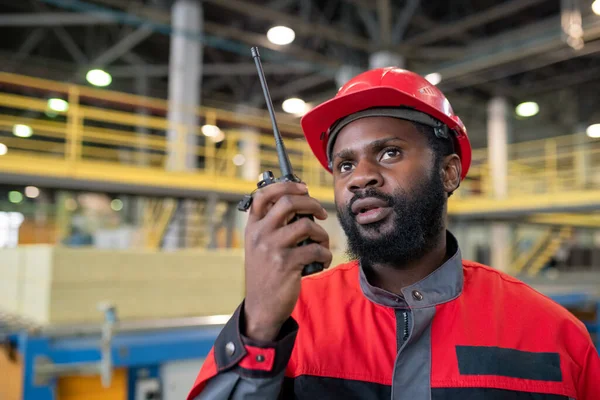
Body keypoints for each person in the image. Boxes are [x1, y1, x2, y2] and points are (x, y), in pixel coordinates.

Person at [188, 68, 599, 399]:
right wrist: (258, 328)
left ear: (449, 172)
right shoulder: (289, 318)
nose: (360, 177)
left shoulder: (553, 333)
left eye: (389, 153)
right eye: (344, 166)